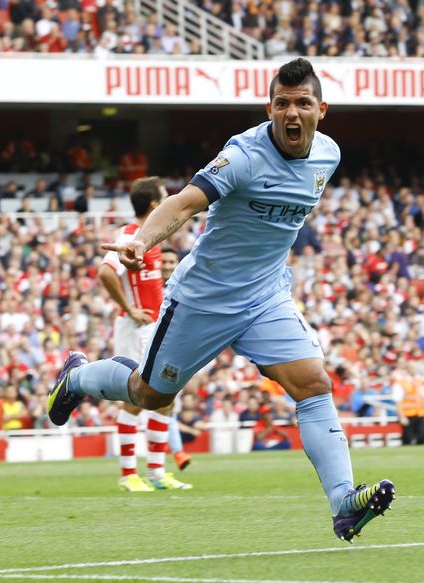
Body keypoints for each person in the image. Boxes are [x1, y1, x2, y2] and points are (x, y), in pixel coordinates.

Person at [47, 58, 395, 542]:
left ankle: (343, 503)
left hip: (267, 296)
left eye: (302, 103)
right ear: (269, 108)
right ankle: (78, 377)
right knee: (151, 394)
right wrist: (141, 242)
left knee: (314, 383)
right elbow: (184, 201)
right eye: (282, 104)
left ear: (322, 109)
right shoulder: (243, 156)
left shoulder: (328, 155)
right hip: (204, 299)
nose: (291, 113)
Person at [98, 177, 191, 492]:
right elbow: (105, 271)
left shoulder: (152, 238)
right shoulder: (128, 235)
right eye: (164, 197)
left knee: (166, 397)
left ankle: (155, 471)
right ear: (154, 204)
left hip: (154, 327)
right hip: (135, 327)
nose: (168, 201)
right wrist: (129, 308)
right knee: (136, 397)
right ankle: (128, 474)